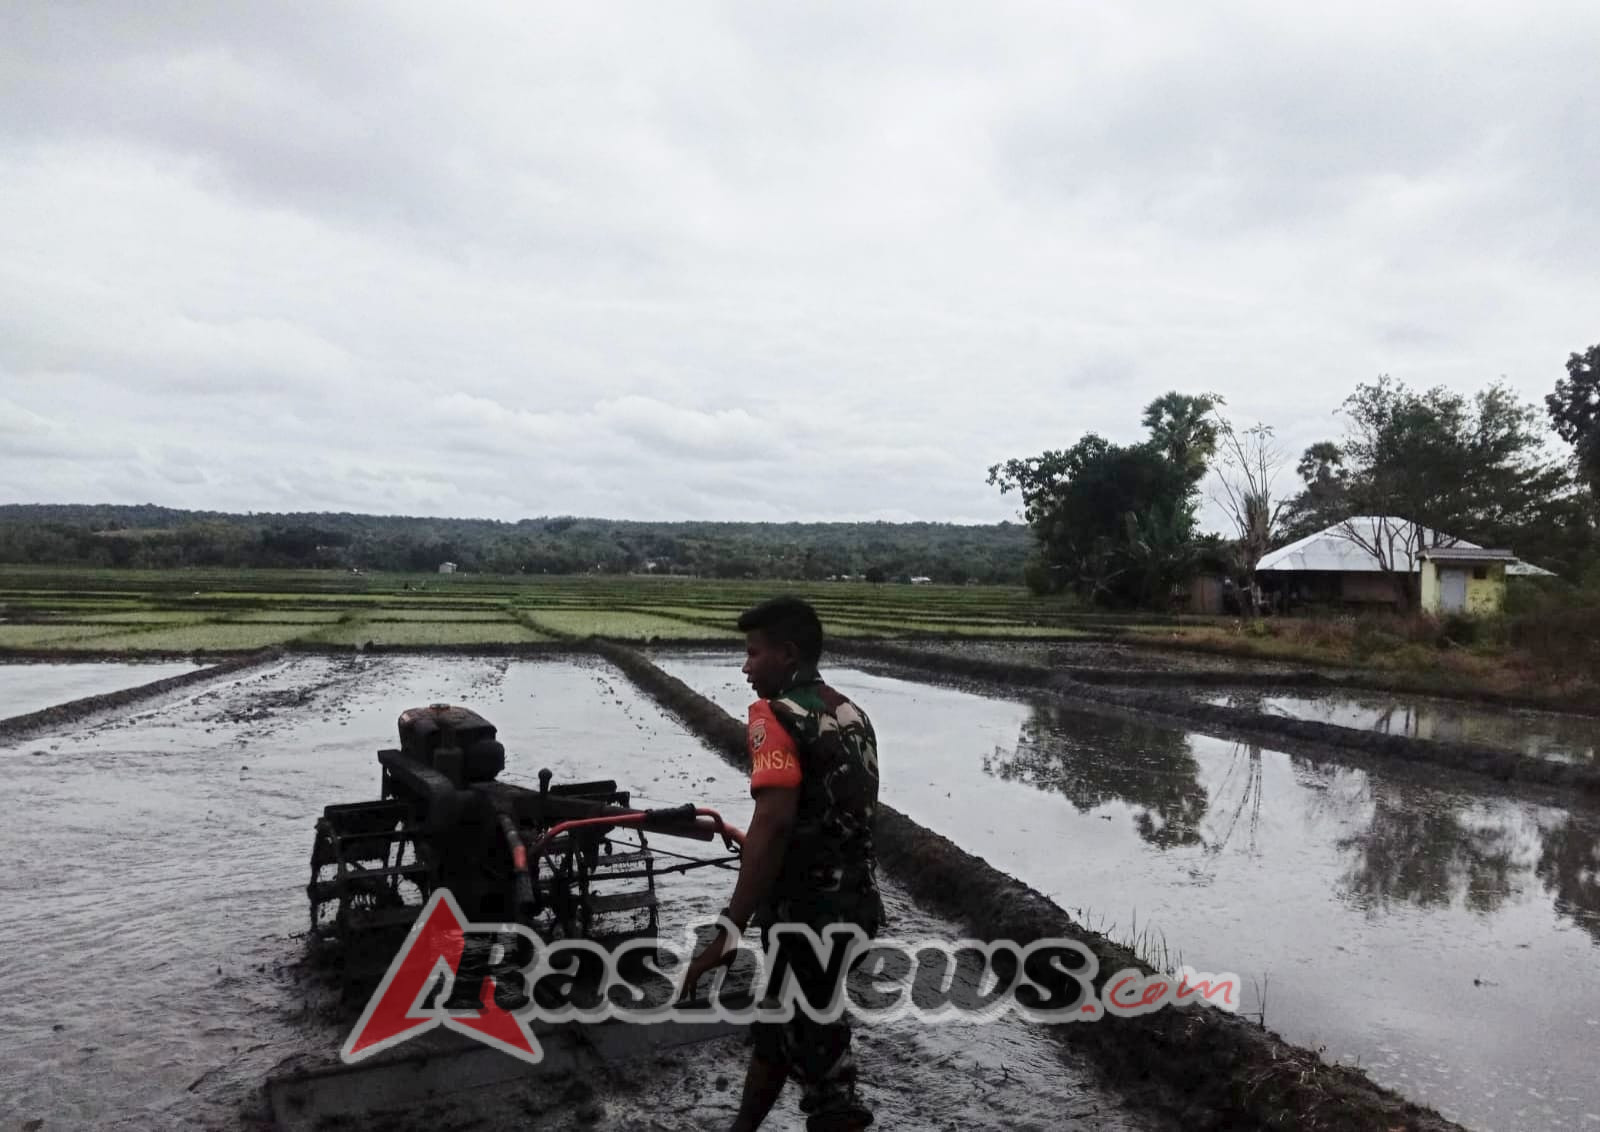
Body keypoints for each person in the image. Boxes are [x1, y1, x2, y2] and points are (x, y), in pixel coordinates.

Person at [679, 595, 883, 1131]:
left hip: (807, 918)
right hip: (857, 908)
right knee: (779, 1025)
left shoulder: (774, 717)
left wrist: (729, 928)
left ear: (787, 654)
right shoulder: (851, 714)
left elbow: (771, 824)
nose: (745, 667)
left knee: (827, 1079)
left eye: (753, 653)